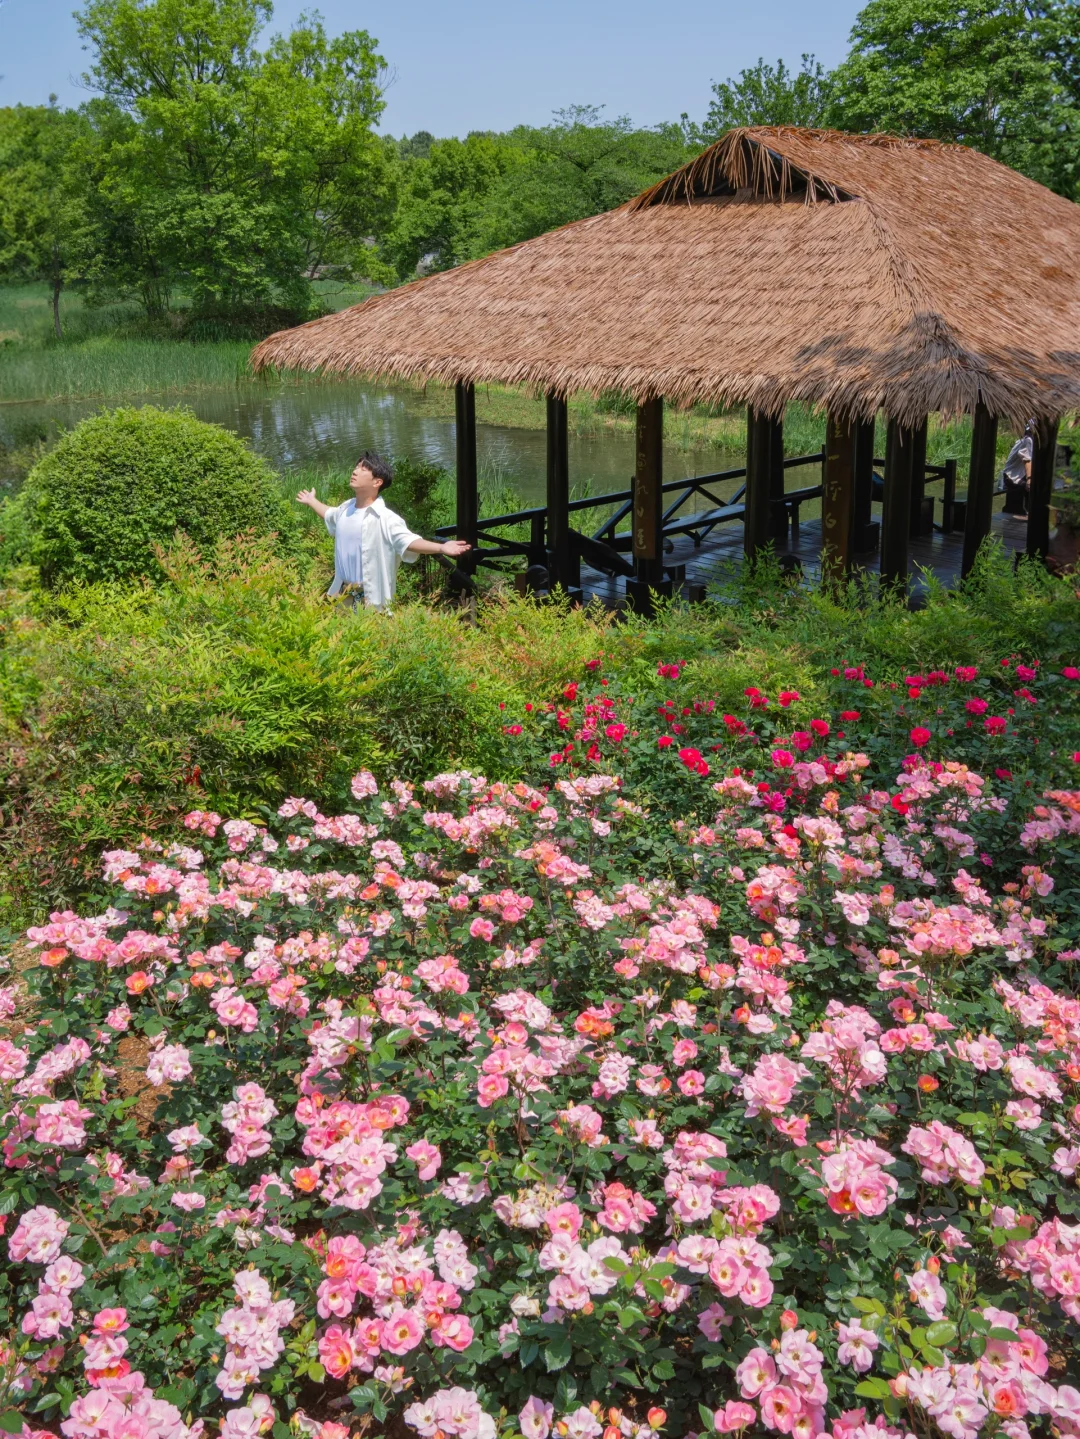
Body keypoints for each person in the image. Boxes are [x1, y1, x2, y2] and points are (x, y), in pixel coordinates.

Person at [296, 451, 471, 608]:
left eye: (363, 469)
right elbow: (329, 514)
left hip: (370, 599)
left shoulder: (385, 518)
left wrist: (441, 547)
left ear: (377, 482)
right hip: (342, 594)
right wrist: (312, 501)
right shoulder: (345, 509)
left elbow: (409, 541)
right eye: (356, 467)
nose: (355, 471)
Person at [1001, 421, 1036, 518]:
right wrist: (1029, 479)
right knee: (1035, 489)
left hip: (1019, 475)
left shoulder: (1028, 440)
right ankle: (1027, 514)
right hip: (1012, 478)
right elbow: (1027, 460)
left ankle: (1026, 512)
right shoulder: (1027, 440)